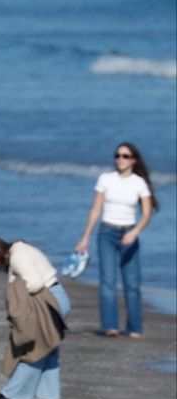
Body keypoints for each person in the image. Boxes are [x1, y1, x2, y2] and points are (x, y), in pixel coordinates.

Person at [0, 236, 69, 399]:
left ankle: (14, 395)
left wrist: (17, 297)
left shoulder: (18, 257)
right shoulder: (20, 250)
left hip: (49, 301)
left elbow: (35, 283)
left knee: (35, 349)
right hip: (55, 297)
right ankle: (49, 397)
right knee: (48, 347)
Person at [75, 143, 156, 338]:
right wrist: (85, 237)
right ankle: (110, 326)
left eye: (125, 156)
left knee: (132, 284)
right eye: (117, 155)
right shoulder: (105, 179)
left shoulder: (139, 183)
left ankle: (134, 328)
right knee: (107, 281)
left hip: (129, 234)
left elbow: (147, 214)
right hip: (107, 233)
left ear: (133, 160)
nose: (120, 159)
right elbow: (96, 209)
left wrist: (134, 232)